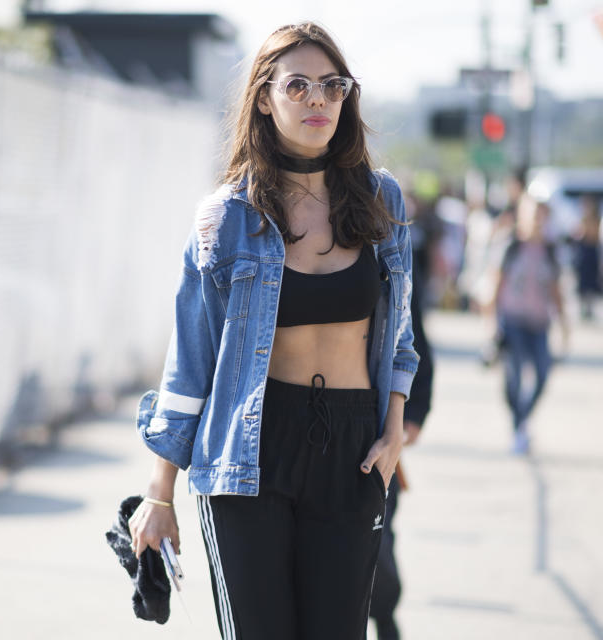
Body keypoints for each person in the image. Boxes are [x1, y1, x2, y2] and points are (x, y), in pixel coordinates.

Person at [128, 22, 418, 639]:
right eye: (300, 85)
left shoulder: (381, 202)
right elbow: (190, 363)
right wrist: (159, 494)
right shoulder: (227, 218)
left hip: (351, 453)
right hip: (248, 453)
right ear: (265, 96)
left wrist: (393, 433)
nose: (319, 100)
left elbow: (400, 341)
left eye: (333, 86)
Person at [369, 189, 436, 640]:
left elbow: (415, 348)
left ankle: (386, 615)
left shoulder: (389, 260)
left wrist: (411, 416)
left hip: (377, 430)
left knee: (379, 541)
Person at [494, 194, 568, 454]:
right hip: (512, 320)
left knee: (542, 372)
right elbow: (496, 284)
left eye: (541, 215)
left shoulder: (550, 250)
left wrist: (565, 327)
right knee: (513, 377)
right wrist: (491, 324)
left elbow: (556, 290)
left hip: (539, 322)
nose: (537, 220)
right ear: (523, 215)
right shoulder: (511, 246)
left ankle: (522, 419)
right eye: (533, 214)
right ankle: (518, 426)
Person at [574, 195, 601, 320]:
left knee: (591, 282)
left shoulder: (596, 219)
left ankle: (589, 309)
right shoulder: (582, 219)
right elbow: (578, 234)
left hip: (591, 253)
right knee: (583, 283)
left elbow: (595, 236)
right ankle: (583, 309)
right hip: (583, 254)